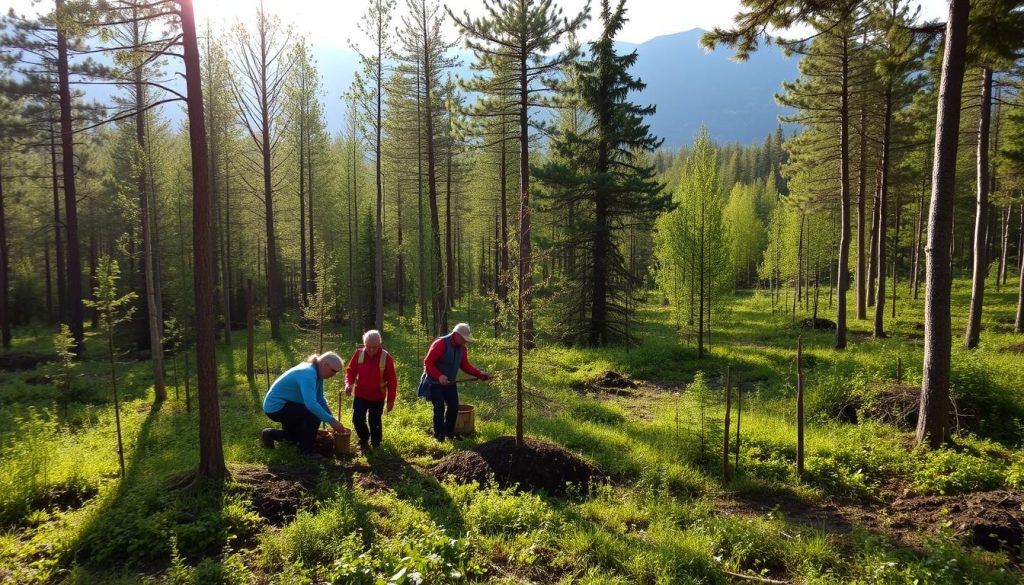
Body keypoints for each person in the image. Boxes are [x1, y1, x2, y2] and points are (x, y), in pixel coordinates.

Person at [261, 351, 346, 456]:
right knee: (313, 413)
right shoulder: (308, 373)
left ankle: (269, 434)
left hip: (288, 405)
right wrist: (331, 421)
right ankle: (305, 451)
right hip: (276, 407)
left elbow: (320, 398)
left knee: (294, 437)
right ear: (325, 365)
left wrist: (332, 419)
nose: (334, 375)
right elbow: (311, 404)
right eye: (333, 371)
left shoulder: (317, 373)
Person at [421, 323, 489, 442]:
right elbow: (428, 363)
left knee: (453, 406)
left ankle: (450, 433)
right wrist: (439, 376)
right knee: (439, 407)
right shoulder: (440, 344)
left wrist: (479, 374)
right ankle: (439, 435)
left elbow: (465, 365)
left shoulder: (462, 348)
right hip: (434, 382)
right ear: (456, 335)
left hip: (450, 383)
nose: (465, 342)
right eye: (464, 339)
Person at [344, 330, 398, 451]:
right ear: (364, 344)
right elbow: (350, 371)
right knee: (357, 419)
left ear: (380, 344)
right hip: (360, 394)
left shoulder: (386, 357)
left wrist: (391, 400)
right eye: (368, 347)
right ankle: (364, 439)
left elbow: (392, 380)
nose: (372, 350)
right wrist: (348, 384)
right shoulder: (358, 354)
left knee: (375, 422)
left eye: (375, 347)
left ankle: (376, 444)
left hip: (378, 396)